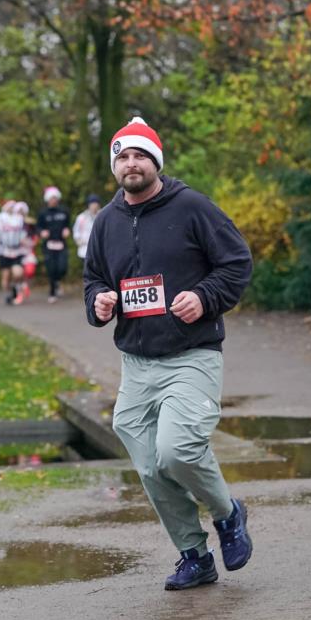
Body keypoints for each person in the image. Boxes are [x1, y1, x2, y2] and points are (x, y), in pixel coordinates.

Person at [84, 116, 254, 591]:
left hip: (191, 355)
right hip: (137, 363)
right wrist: (98, 303)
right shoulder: (105, 223)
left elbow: (236, 263)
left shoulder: (193, 207)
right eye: (123, 156)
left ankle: (228, 514)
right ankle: (194, 556)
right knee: (150, 466)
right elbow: (94, 279)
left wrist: (204, 296)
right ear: (115, 166)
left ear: (155, 162)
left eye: (140, 155)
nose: (131, 163)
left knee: (176, 450)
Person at [37, 185, 71, 303]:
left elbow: (68, 224)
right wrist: (42, 232)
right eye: (51, 198)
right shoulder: (43, 213)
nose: (54, 200)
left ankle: (57, 281)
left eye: (55, 198)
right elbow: (38, 227)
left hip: (61, 244)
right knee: (51, 269)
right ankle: (52, 292)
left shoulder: (64, 211)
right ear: (47, 199)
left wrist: (67, 229)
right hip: (49, 245)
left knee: (62, 267)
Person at [0, 199, 26, 304]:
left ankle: (15, 287)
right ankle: (10, 293)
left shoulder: (19, 219)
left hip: (17, 250)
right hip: (3, 251)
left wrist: (23, 239)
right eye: (9, 206)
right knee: (5, 277)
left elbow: (23, 232)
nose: (11, 208)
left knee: (17, 273)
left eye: (13, 206)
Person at [73, 194, 101, 259]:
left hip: (99, 250)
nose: (94, 206)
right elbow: (76, 231)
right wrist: (78, 240)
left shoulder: (103, 216)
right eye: (92, 203)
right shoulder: (81, 217)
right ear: (88, 205)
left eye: (96, 203)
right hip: (84, 250)